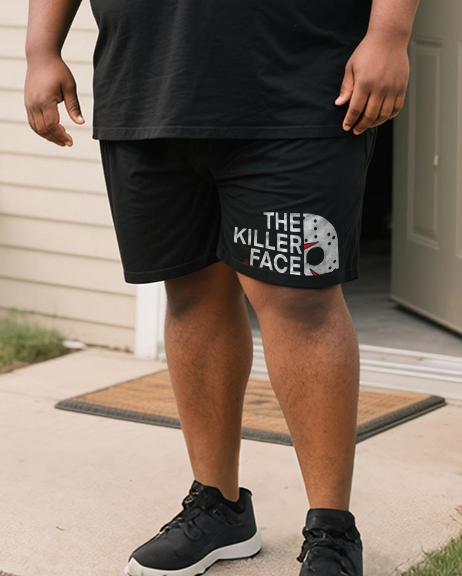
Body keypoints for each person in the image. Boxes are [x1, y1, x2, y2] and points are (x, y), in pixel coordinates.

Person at [24, 0, 419, 574]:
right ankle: (218, 508)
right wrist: (41, 49)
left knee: (301, 304)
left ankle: (332, 532)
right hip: (146, 85)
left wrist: (389, 32)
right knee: (190, 292)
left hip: (295, 83)